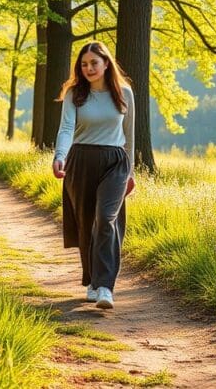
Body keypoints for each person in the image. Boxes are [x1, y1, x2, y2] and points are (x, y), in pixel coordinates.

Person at [52, 41, 135, 310]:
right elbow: (66, 129)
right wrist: (60, 156)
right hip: (81, 160)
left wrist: (131, 172)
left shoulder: (124, 93)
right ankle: (91, 280)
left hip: (115, 162)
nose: (89, 68)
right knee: (86, 222)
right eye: (84, 64)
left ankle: (105, 286)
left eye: (94, 63)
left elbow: (130, 136)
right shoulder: (74, 94)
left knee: (106, 218)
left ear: (106, 63)